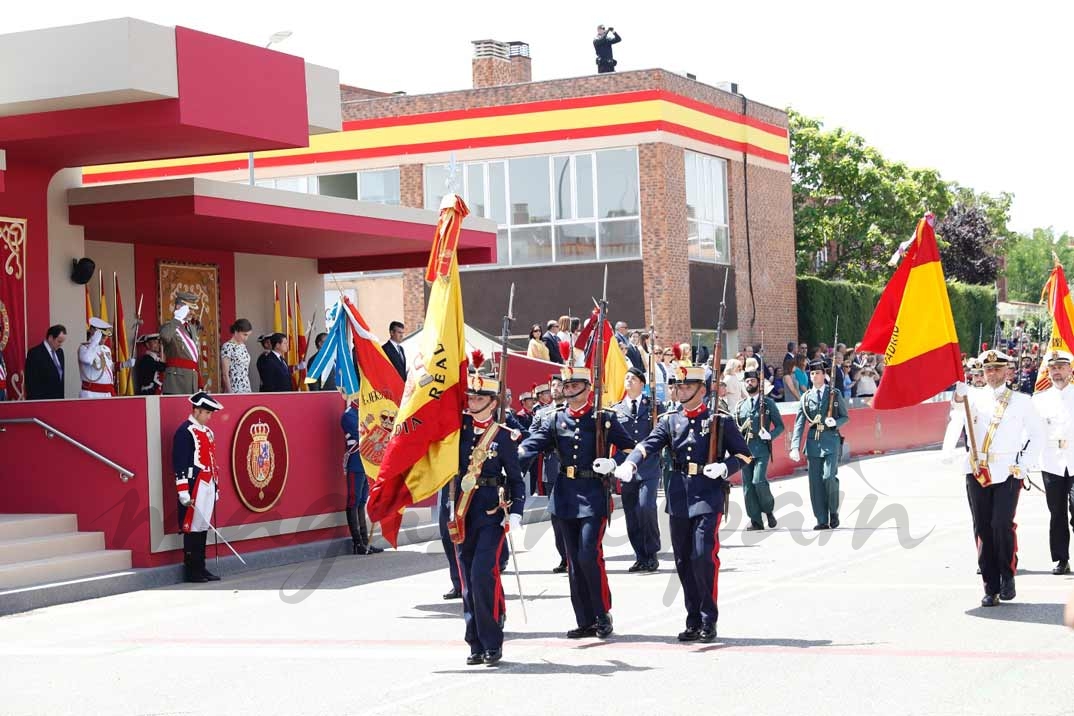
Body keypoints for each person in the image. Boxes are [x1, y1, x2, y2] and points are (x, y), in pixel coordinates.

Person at [616, 360, 751, 643]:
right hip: (679, 496)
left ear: (702, 389)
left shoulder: (719, 420)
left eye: (687, 385)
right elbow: (647, 444)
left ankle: (707, 619)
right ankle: (692, 620)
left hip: (707, 495)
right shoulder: (670, 419)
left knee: (703, 556)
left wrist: (725, 468)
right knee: (683, 561)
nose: (680, 390)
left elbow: (744, 455)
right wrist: (630, 462)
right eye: (678, 385)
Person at [519, 365, 635, 639]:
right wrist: (510, 460)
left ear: (587, 388)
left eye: (573, 387)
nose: (567, 391)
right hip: (564, 496)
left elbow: (630, 448)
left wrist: (613, 462)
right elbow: (533, 445)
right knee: (573, 560)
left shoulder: (603, 419)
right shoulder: (554, 419)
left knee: (588, 554)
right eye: (565, 387)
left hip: (594, 493)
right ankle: (584, 619)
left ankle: (601, 613)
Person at [943, 349, 1044, 606]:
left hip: (1008, 471)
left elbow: (1036, 435)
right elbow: (956, 420)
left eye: (997, 369)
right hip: (977, 470)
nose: (992, 374)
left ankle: (1008, 574)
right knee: (982, 528)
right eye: (987, 370)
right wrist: (948, 453)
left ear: (1007, 371)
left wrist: (1024, 464)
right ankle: (991, 586)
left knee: (1001, 524)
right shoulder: (972, 397)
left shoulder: (1022, 401)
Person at [444, 368, 525, 666]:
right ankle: (474, 642)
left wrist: (516, 512)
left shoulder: (502, 437)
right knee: (466, 581)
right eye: (471, 396)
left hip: (490, 515)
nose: (472, 401)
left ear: (493, 403)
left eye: (479, 397)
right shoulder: (458, 430)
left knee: (481, 575)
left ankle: (492, 641)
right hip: (461, 513)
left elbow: (516, 479)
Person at [789, 358, 849, 529]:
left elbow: (845, 416)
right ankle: (821, 519)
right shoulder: (806, 397)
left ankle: (833, 511)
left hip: (831, 440)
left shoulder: (834, 393)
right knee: (815, 483)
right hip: (814, 442)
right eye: (812, 373)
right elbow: (799, 422)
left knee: (829, 477)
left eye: (817, 373)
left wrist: (835, 423)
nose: (814, 376)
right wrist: (795, 446)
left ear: (824, 375)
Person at [612, 367, 661, 572]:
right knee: (632, 513)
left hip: (648, 466)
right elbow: (612, 440)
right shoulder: (616, 410)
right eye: (626, 378)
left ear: (642, 383)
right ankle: (640, 555)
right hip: (626, 469)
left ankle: (652, 552)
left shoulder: (654, 407)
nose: (629, 381)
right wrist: (613, 463)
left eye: (633, 378)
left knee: (646, 507)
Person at [173, 391, 224, 583]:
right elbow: (180, 462)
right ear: (197, 411)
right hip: (194, 485)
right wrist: (183, 490)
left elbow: (211, 459)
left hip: (207, 483)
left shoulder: (207, 432)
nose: (210, 417)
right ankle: (191, 569)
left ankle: (201, 566)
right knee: (192, 527)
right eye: (207, 413)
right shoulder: (184, 431)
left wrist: (215, 486)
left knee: (203, 526)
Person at [1031, 351, 1074, 575]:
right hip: (1051, 463)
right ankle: (1061, 559)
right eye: (1053, 368)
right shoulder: (1039, 400)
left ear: (1070, 370)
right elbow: (1031, 433)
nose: (1057, 371)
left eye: (1061, 367)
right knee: (1056, 513)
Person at [735, 368, 785, 530]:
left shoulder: (767, 403)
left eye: (753, 381)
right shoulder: (740, 406)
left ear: (758, 383)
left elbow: (780, 426)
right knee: (748, 486)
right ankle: (755, 520)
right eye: (747, 381)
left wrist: (769, 435)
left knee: (758, 481)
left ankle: (768, 510)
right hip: (745, 450)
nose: (750, 383)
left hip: (761, 448)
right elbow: (736, 429)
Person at [341, 400, 384, 556]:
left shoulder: (365, 413)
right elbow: (363, 434)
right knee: (354, 500)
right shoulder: (349, 415)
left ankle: (365, 541)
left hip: (367, 462)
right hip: (356, 463)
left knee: (361, 502)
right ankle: (357, 542)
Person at [159, 291, 202, 395]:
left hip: (192, 380)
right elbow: (165, 336)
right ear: (178, 307)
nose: (192, 312)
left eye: (193, 309)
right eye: (189, 309)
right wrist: (176, 319)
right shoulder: (169, 326)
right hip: (176, 382)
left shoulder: (191, 328)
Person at [78, 317, 132, 398]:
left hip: (107, 392)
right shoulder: (84, 348)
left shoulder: (106, 349)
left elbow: (109, 367)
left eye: (105, 335)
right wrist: (94, 342)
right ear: (93, 331)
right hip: (91, 393)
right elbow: (87, 360)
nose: (105, 338)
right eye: (102, 335)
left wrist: (124, 364)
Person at [25, 324, 67, 400]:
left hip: (58, 401)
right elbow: (31, 383)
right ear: (50, 338)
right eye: (59, 341)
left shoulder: (60, 352)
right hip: (41, 401)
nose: (61, 345)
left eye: (62, 342)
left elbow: (60, 378)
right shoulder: (35, 353)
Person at [219, 319, 252, 394]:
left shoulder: (243, 346)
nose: (246, 338)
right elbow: (225, 374)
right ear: (236, 332)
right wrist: (230, 392)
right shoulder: (227, 346)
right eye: (244, 334)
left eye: (248, 335)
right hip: (234, 388)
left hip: (246, 387)